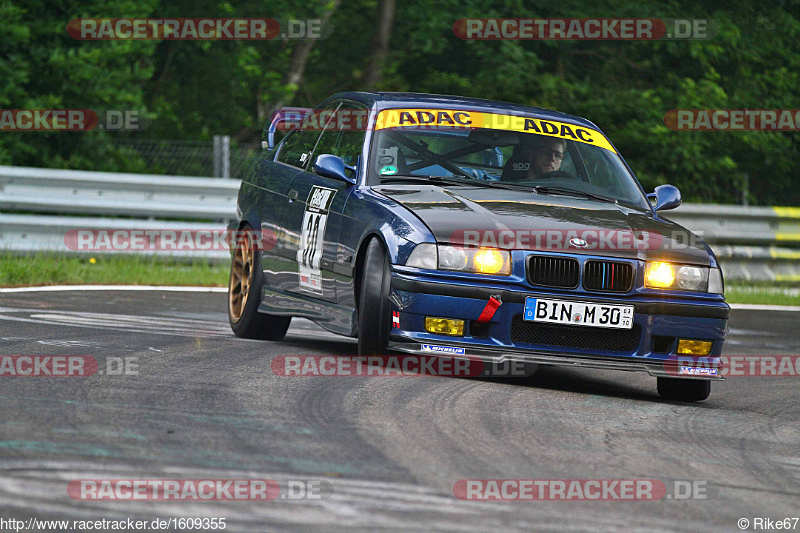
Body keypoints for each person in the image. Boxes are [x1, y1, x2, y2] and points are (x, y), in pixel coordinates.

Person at [501, 136, 567, 181]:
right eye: (546, 152)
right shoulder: (511, 185)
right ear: (532, 154)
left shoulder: (565, 189)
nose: (552, 158)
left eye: (558, 155)